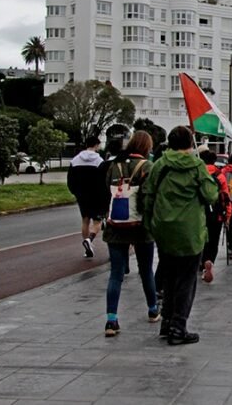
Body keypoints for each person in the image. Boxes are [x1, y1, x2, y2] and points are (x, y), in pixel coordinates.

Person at [142, 126, 217, 345]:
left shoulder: (160, 165)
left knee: (168, 275)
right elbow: (210, 196)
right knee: (187, 278)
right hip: (190, 231)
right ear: (189, 143)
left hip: (163, 229)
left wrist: (150, 223)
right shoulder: (197, 166)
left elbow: (149, 195)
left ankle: (166, 322)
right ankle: (178, 326)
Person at [101, 131, 159, 337]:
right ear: (146, 147)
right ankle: (153, 309)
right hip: (140, 226)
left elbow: (105, 193)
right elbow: (148, 199)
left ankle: (111, 319)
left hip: (115, 225)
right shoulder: (147, 167)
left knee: (116, 274)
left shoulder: (113, 166)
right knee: (145, 270)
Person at [67, 136, 106, 258]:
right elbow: (103, 180)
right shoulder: (99, 161)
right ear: (96, 145)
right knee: (97, 221)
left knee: (85, 220)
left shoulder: (75, 160)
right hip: (96, 195)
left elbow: (70, 180)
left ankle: (87, 248)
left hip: (81, 195)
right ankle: (90, 239)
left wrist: (75, 192)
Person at [199, 150, 230, 283]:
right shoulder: (220, 175)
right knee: (214, 240)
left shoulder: (198, 173)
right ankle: (210, 260)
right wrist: (227, 216)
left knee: (201, 240)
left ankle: (202, 261)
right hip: (217, 214)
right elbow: (226, 197)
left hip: (200, 214)